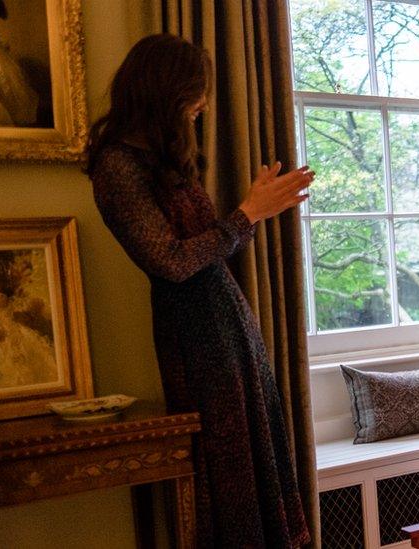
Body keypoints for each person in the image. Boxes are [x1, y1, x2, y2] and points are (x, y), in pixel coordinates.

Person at [86, 35, 313, 547]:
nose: (204, 104)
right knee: (226, 470)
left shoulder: (163, 161)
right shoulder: (118, 166)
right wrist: (247, 213)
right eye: (198, 92)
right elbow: (170, 262)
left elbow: (208, 249)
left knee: (255, 459)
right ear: (167, 91)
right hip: (195, 338)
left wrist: (254, 212)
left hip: (227, 327)